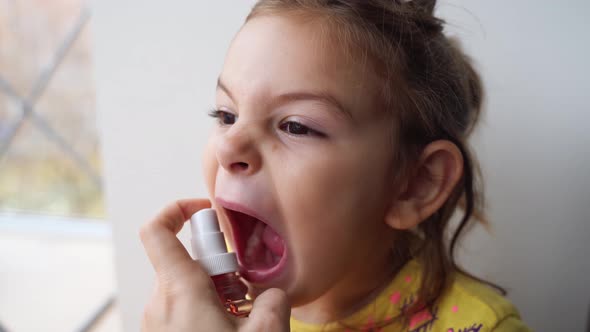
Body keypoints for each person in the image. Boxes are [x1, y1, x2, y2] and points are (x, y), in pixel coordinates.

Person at [140, 1, 531, 331]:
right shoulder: (199, 309)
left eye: (296, 126)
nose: (229, 146)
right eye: (226, 115)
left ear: (416, 183)